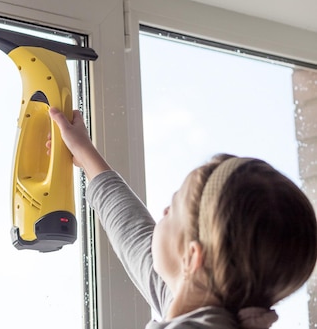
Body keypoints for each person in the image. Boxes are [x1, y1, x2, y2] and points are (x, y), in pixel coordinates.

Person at [48, 108, 317, 329]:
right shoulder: (200, 301)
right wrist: (84, 154)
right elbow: (133, 235)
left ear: (192, 256)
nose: (163, 212)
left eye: (172, 208)